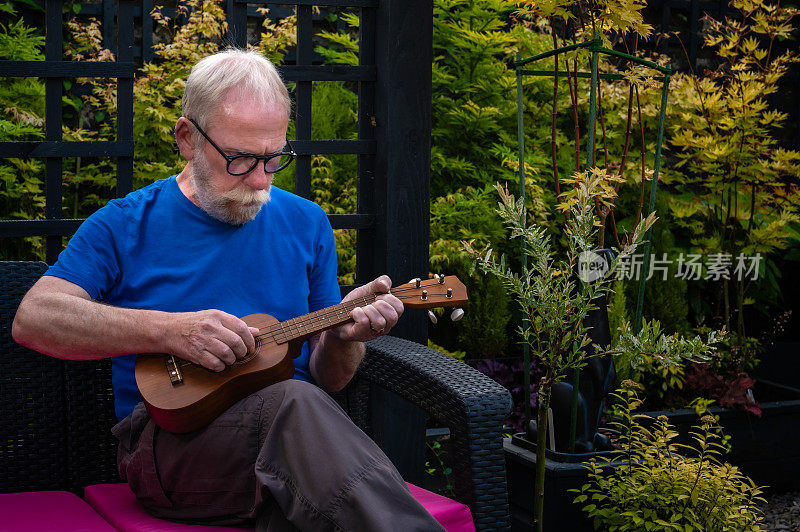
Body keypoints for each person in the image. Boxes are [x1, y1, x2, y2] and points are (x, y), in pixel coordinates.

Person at [12, 49, 445, 531]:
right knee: (295, 404)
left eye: (273, 158)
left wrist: (343, 338)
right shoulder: (125, 223)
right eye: (239, 159)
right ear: (187, 138)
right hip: (170, 447)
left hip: (292, 447)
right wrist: (170, 331)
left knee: (296, 475)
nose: (260, 180)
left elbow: (332, 379)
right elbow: (35, 318)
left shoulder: (307, 223)